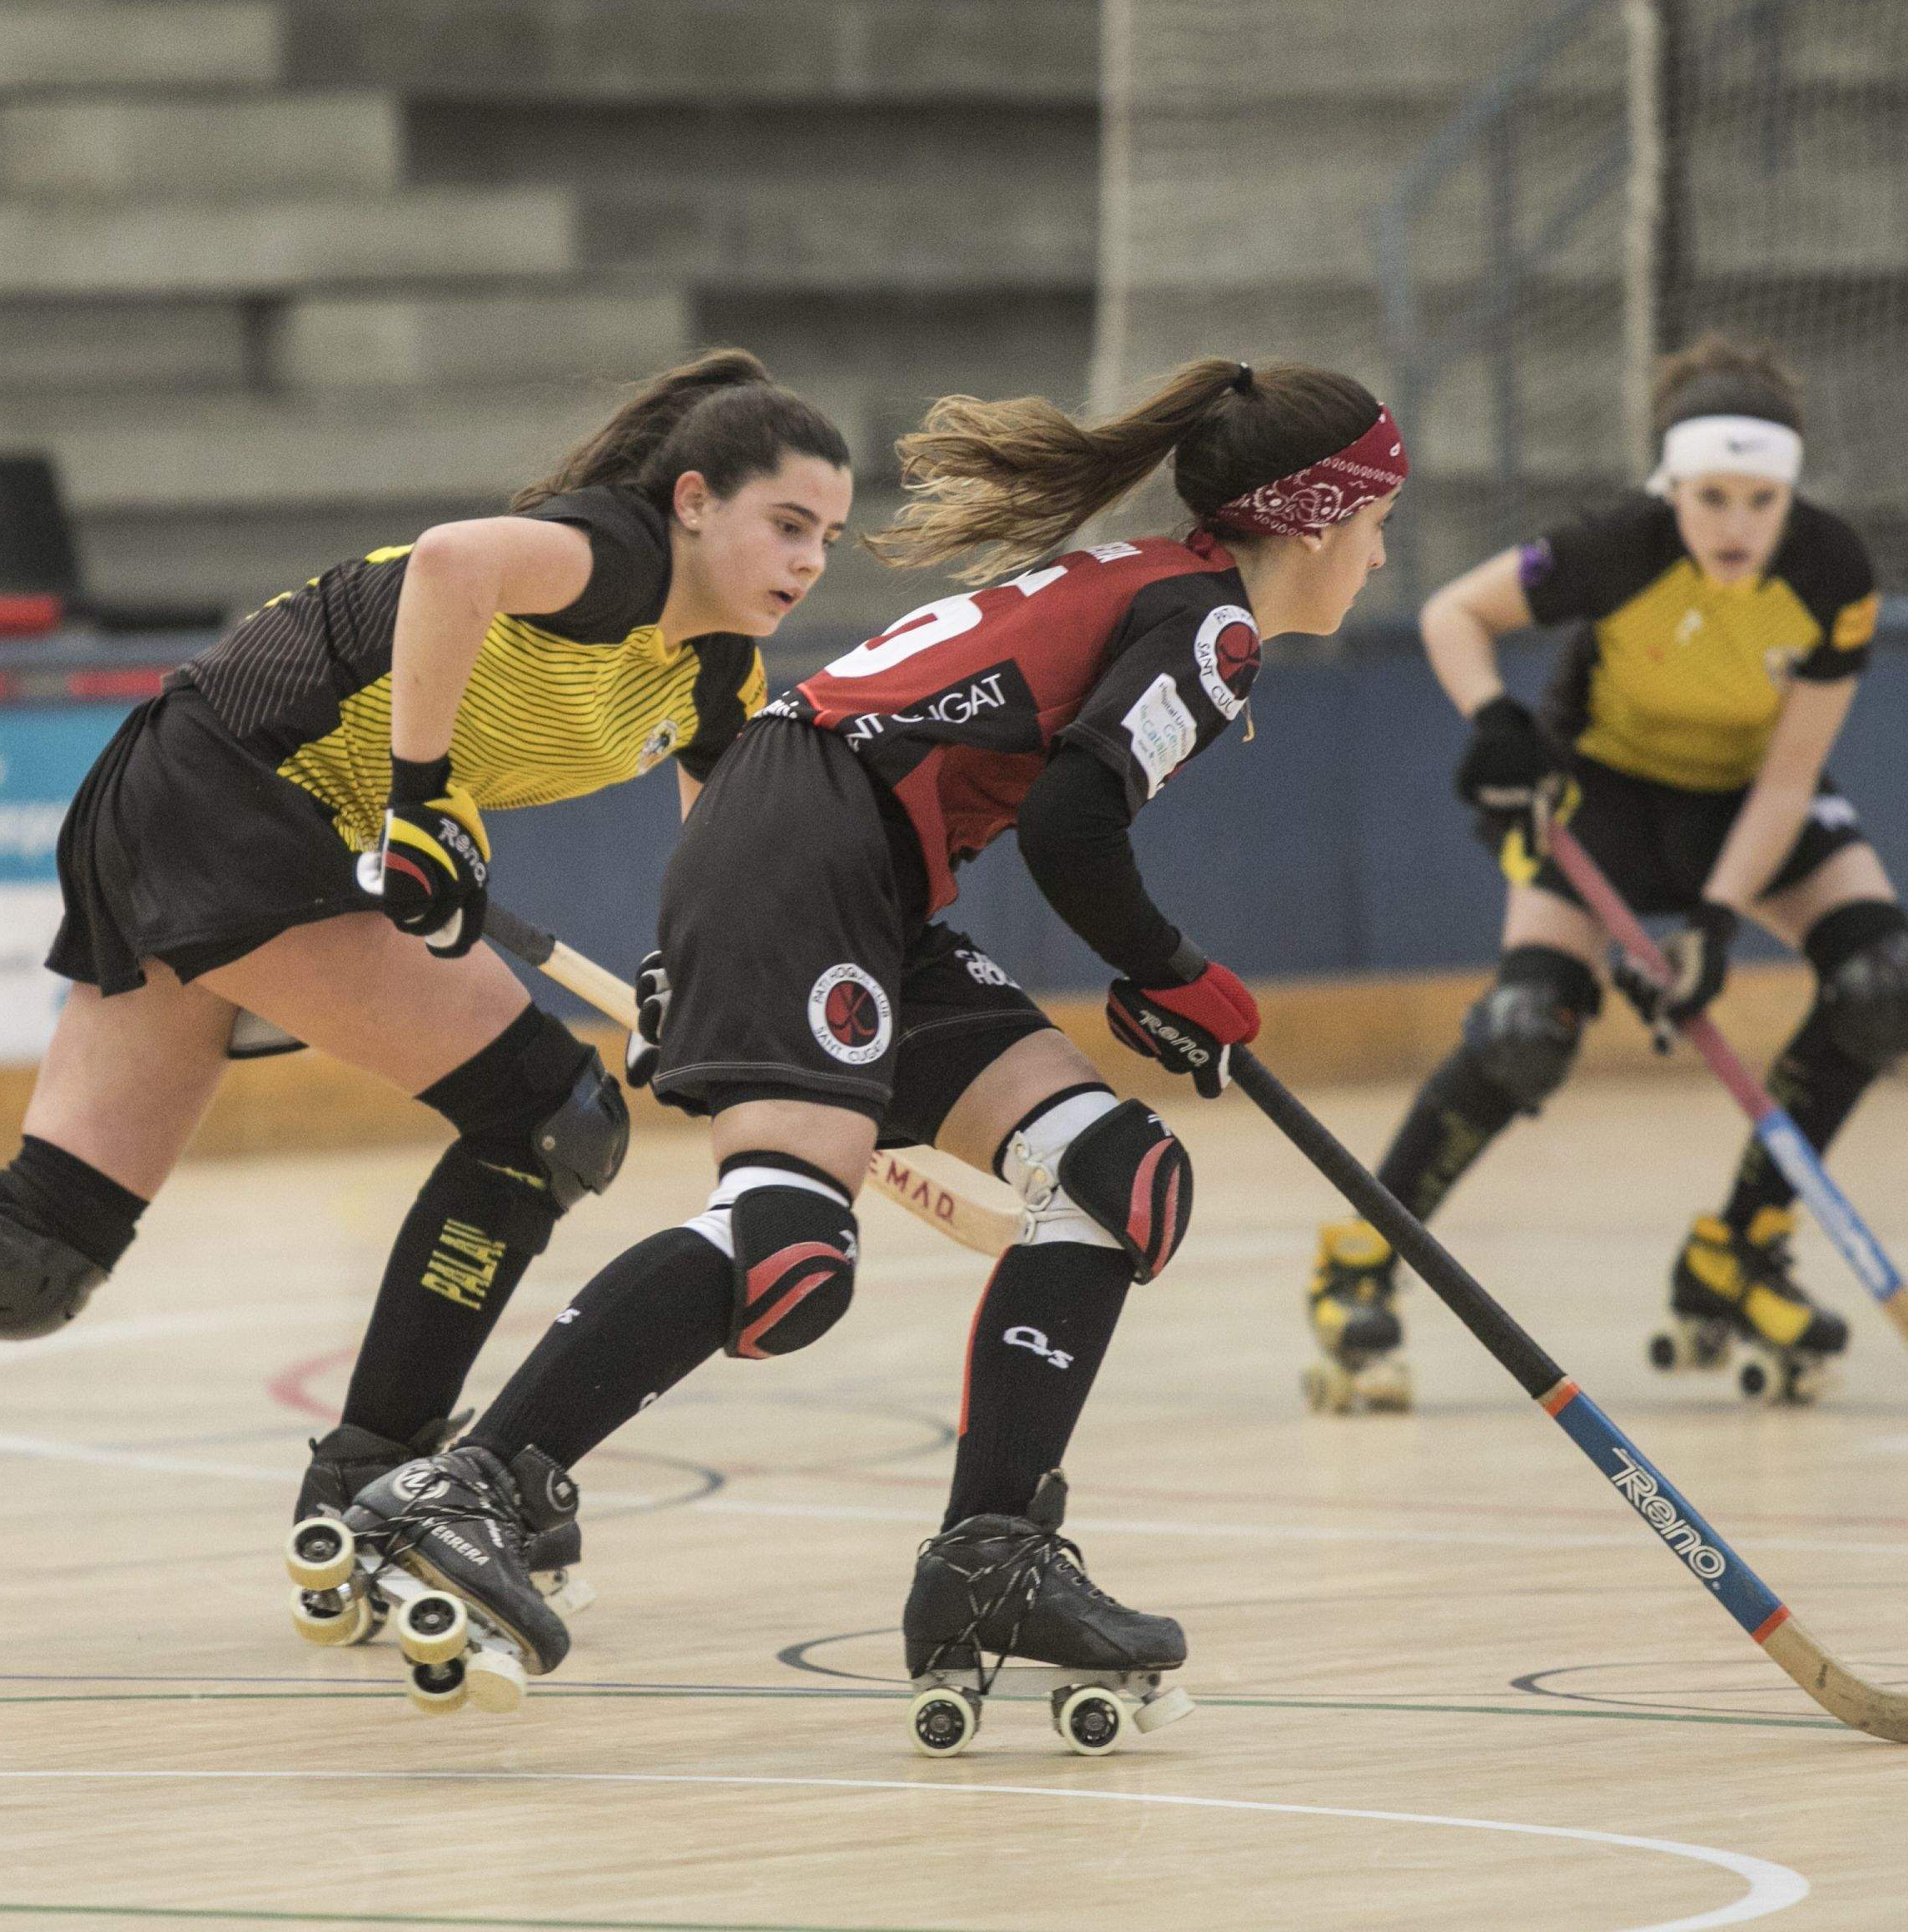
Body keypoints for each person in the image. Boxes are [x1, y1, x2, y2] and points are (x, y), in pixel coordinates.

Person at [0, 351, 855, 1605]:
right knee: (548, 1115)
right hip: (238, 797)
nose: (808, 560)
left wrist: (693, 969)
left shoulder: (715, 669)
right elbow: (449, 565)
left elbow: (718, 828)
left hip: (205, 802)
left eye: (829, 539)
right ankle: (384, 1484)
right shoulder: (607, 556)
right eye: (786, 524)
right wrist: (422, 800)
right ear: (689, 501)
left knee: (37, 1248)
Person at [339, 357, 1406, 1701]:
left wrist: (1151, 980)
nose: (1377, 555)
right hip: (814, 839)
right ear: (1312, 518)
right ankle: (464, 1484)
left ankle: (991, 1555)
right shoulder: (1208, 625)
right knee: (788, 1243)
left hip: (846, 858)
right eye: (1373, 522)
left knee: (1113, 1179)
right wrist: (1173, 970)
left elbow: (1058, 814)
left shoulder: (1161, 589)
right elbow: (1078, 828)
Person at [1300, 332, 1908, 1413]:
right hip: (1600, 794)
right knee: (1524, 1032)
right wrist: (1497, 724)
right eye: (1711, 496)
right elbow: (1457, 612)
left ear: (1790, 498)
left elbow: (1789, 780)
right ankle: (1361, 1249)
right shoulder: (1616, 547)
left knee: (1889, 986)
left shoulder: (1834, 573)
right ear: (1671, 486)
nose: (1735, 525)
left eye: (1758, 501)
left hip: (1742, 799)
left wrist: (1717, 923)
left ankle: (1736, 1249)